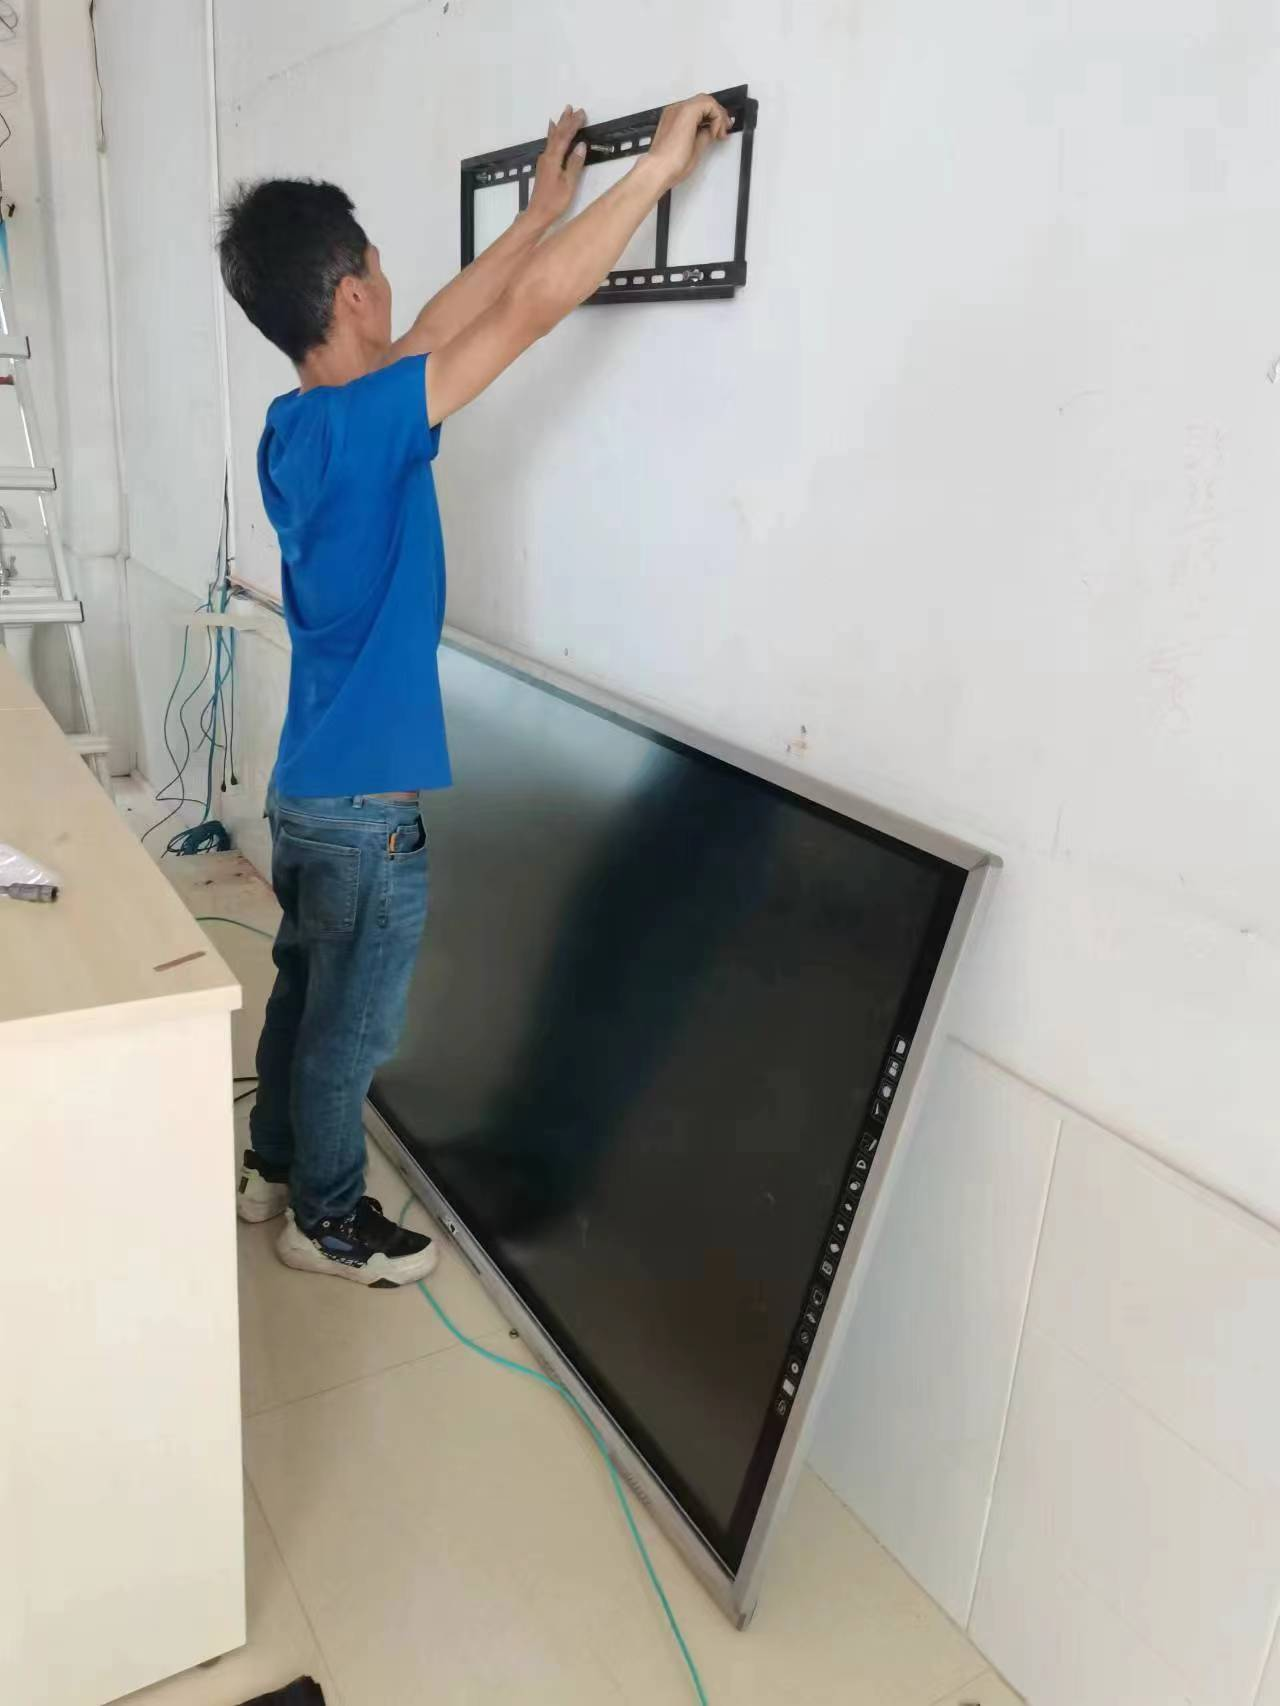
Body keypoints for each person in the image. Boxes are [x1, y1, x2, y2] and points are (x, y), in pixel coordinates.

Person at [217, 93, 734, 1286]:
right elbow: (528, 314)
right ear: (352, 292)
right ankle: (326, 1222)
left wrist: (537, 213)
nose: (394, 288)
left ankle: (269, 1166)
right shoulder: (369, 427)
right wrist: (653, 172)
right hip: (364, 816)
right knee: (350, 1032)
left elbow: (443, 326)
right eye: (379, 270)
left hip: (307, 794)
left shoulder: (300, 426)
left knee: (302, 993)